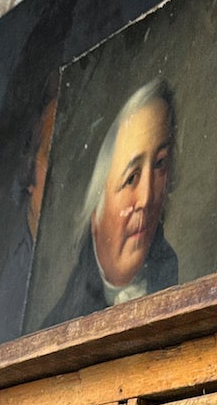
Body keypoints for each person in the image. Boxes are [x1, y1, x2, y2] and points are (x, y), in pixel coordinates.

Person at [43, 79, 178, 327]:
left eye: (159, 164)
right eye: (131, 178)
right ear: (95, 210)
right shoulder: (57, 326)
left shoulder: (175, 282)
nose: (147, 197)